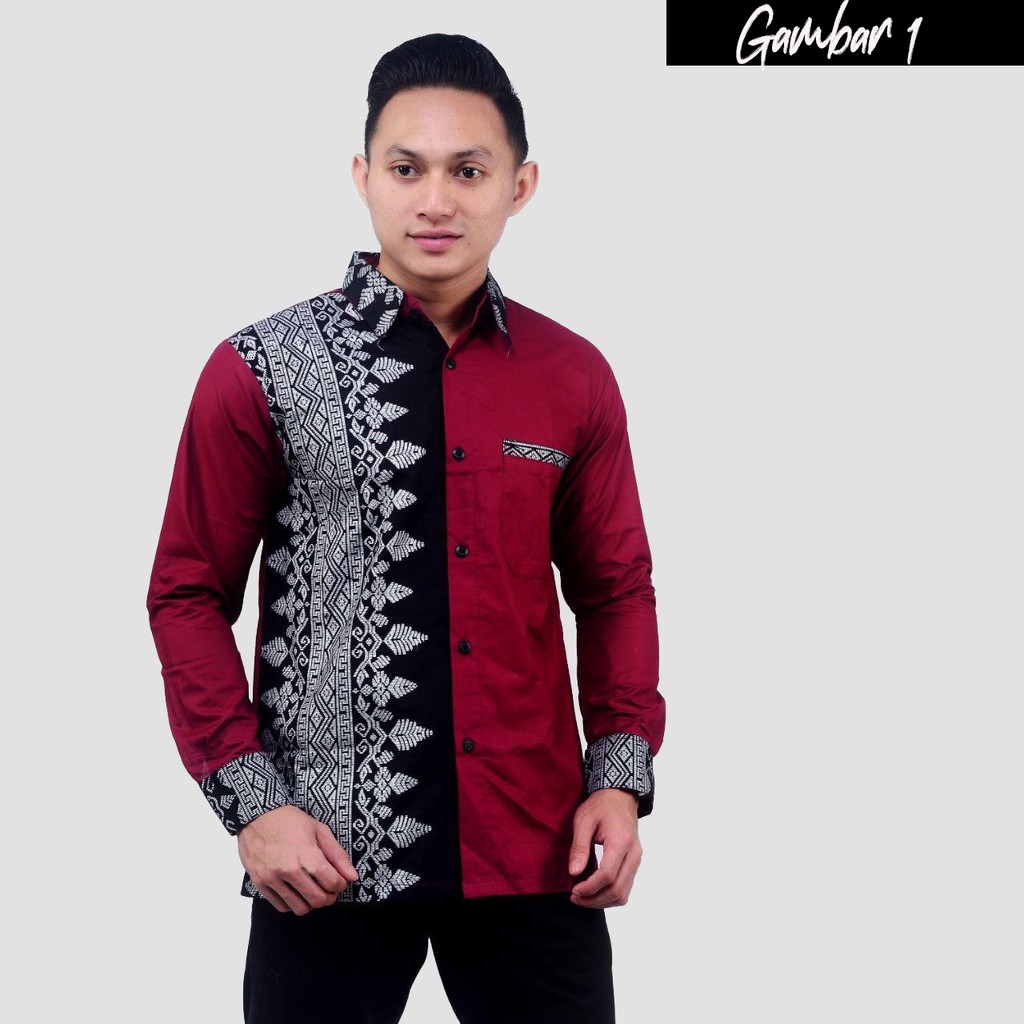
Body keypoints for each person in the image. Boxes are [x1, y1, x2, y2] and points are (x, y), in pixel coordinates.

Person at [147, 32, 666, 1024]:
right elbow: (185, 593)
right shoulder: (262, 370)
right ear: (362, 178)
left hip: (532, 848)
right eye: (406, 168)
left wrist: (619, 777)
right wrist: (252, 802)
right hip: (322, 853)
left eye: (468, 170)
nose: (436, 201)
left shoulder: (573, 376)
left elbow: (614, 590)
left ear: (519, 185)